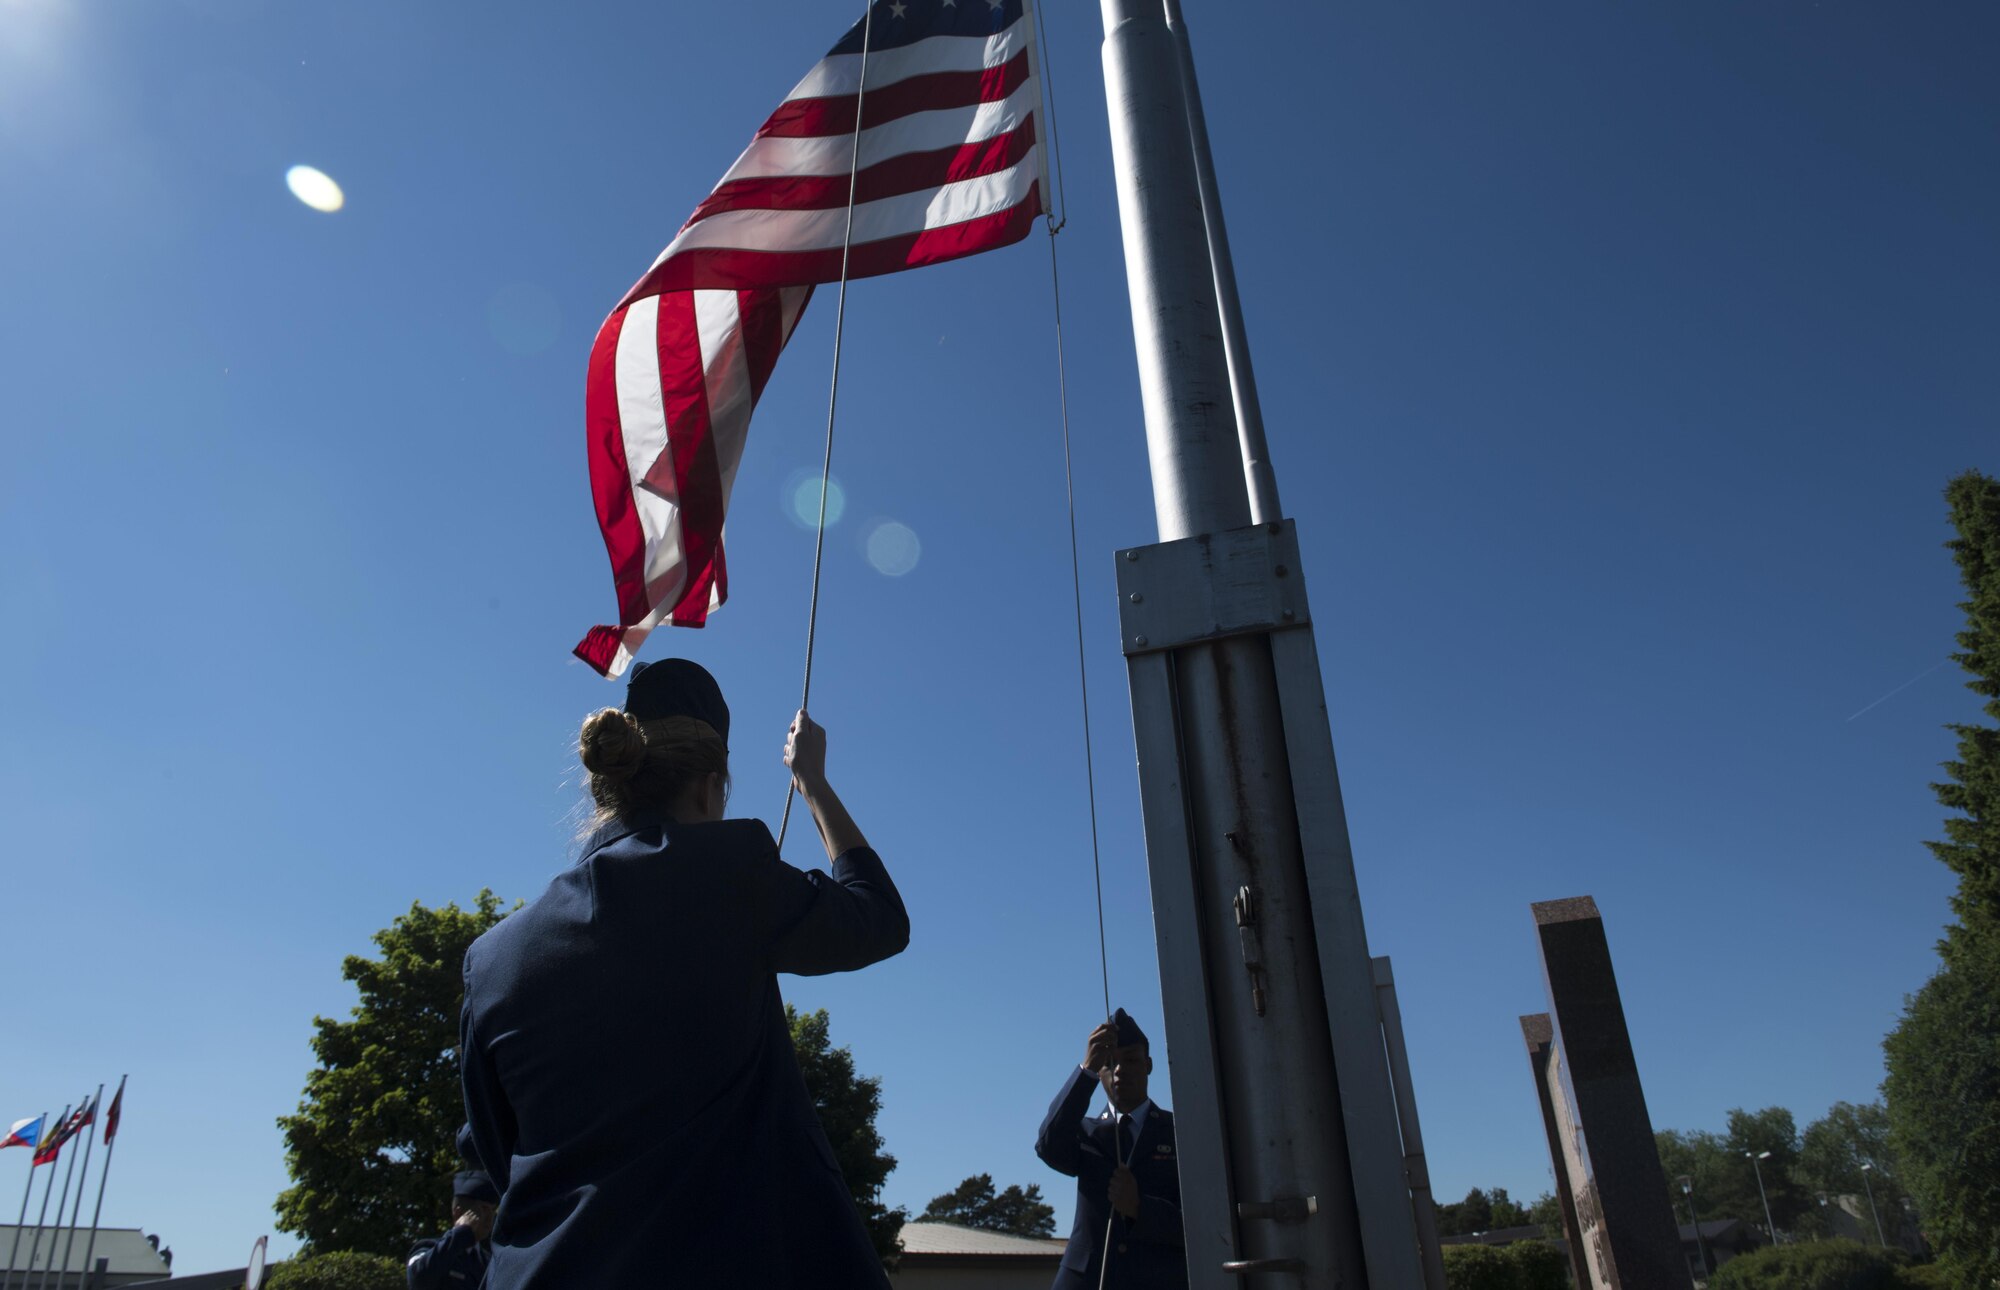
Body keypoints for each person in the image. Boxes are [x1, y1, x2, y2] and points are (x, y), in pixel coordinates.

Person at [459, 659, 910, 1289]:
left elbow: (495, 1149)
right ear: (708, 786)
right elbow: (879, 920)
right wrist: (813, 784)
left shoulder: (493, 959)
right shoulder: (730, 875)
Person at [1035, 1010, 1186, 1290]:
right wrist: (1086, 1070)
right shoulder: (1085, 1133)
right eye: (1109, 1063)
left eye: (1130, 1060)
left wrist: (1141, 1208)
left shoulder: (1180, 1133)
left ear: (1148, 1064)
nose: (1119, 1071)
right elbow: (1048, 1147)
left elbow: (1203, 1222)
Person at [405, 1169, 497, 1290]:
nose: (490, 1217)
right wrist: (459, 1234)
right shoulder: (429, 1249)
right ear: (458, 1213)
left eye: (492, 1210)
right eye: (484, 1209)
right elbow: (418, 1279)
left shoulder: (486, 1260)